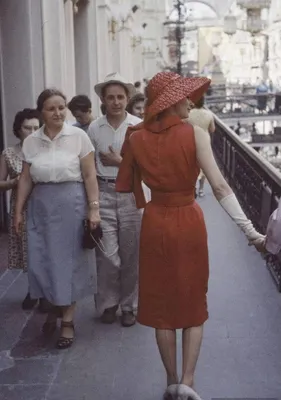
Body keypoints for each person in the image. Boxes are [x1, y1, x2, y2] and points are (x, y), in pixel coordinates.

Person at [115, 72, 265, 399]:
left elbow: (129, 186)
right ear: (172, 101)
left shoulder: (135, 137)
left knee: (161, 307)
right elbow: (220, 186)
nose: (190, 101)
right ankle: (188, 380)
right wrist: (252, 233)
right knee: (192, 303)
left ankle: (170, 381)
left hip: (155, 221)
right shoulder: (195, 134)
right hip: (188, 221)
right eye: (184, 96)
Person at [14, 88, 100, 349]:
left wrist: (93, 209)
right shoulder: (31, 142)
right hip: (41, 205)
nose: (58, 113)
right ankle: (53, 308)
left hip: (71, 203)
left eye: (61, 107)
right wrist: (18, 210)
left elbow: (89, 176)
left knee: (69, 262)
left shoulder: (79, 137)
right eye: (51, 108)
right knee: (43, 260)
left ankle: (68, 321)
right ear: (42, 112)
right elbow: (26, 178)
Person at [88, 72, 142, 327]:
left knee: (131, 254)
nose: (116, 102)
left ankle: (129, 306)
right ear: (103, 99)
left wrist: (122, 163)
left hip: (131, 193)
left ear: (128, 98)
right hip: (104, 192)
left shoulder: (139, 126)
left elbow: (147, 166)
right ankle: (108, 303)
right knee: (107, 254)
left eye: (120, 97)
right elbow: (87, 166)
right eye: (111, 97)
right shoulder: (94, 127)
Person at [0, 108, 48, 311]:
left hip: (45, 205)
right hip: (21, 206)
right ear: (18, 130)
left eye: (36, 127)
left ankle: (45, 292)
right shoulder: (9, 153)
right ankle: (33, 289)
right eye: (27, 127)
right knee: (27, 250)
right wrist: (14, 182)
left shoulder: (46, 150)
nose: (32, 131)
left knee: (45, 249)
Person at [188, 96, 215, 197]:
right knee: (204, 166)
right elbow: (212, 129)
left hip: (191, 140)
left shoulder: (188, 114)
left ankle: (193, 187)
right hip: (205, 141)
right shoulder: (209, 114)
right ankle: (201, 189)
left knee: (192, 164)